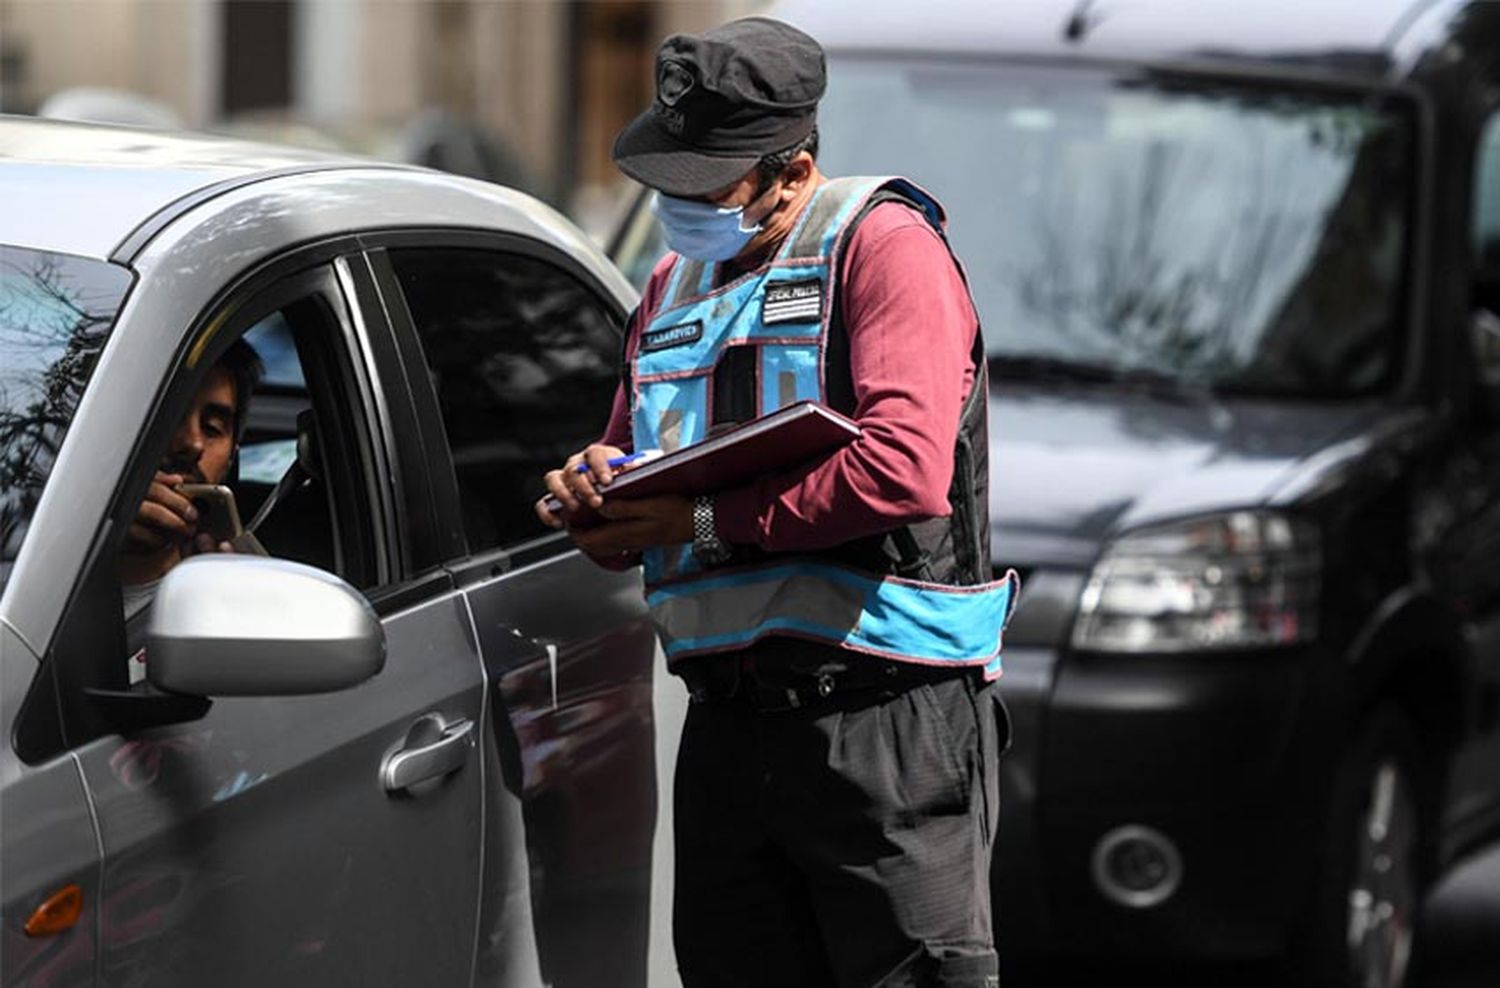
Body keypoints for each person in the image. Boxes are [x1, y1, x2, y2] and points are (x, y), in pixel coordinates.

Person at [537, 17, 1018, 988]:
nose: (676, 202)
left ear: (792, 172)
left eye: (703, 180)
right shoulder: (670, 283)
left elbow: (903, 470)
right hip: (728, 732)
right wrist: (597, 490)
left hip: (885, 721)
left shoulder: (884, 249)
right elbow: (639, 482)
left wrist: (705, 519)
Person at [119, 337, 264, 673]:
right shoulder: (33, 563)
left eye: (212, 428)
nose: (192, 442)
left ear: (231, 459)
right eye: (167, 415)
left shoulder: (248, 592)